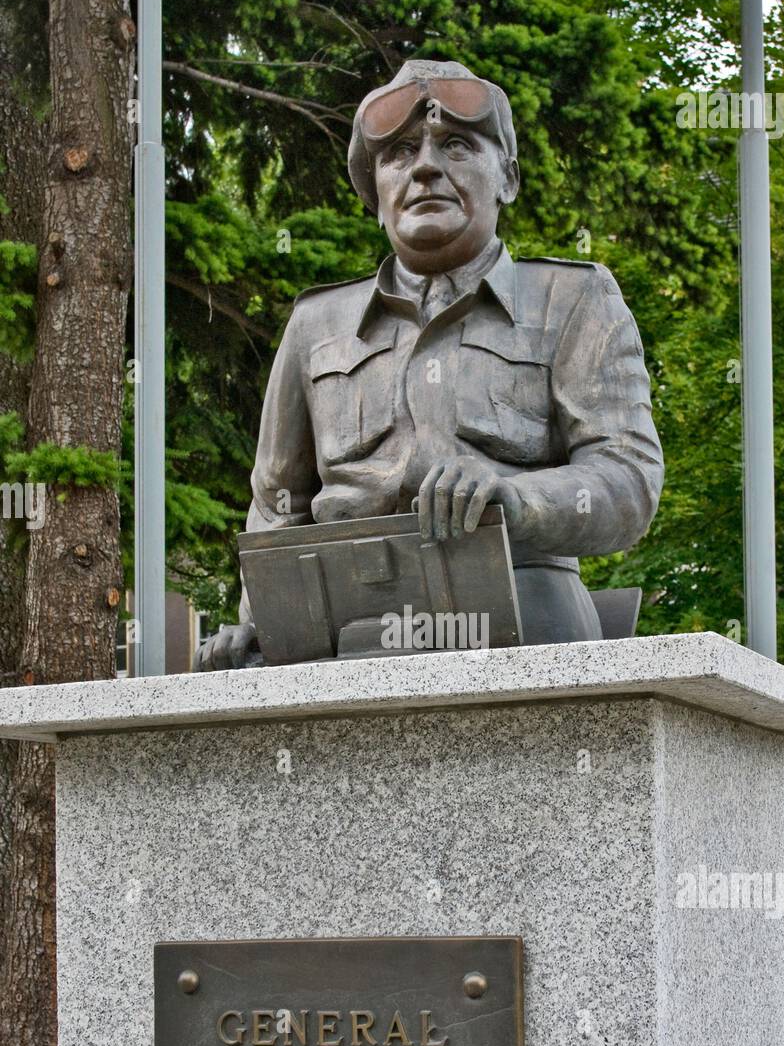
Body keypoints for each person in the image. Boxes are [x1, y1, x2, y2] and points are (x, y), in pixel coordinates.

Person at [195, 59, 662, 671]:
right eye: (397, 155)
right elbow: (277, 504)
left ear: (508, 178)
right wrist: (262, 620)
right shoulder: (316, 325)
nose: (423, 167)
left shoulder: (573, 301)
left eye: (458, 145)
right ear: (376, 194)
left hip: (528, 627)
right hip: (342, 637)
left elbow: (628, 480)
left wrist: (517, 501)